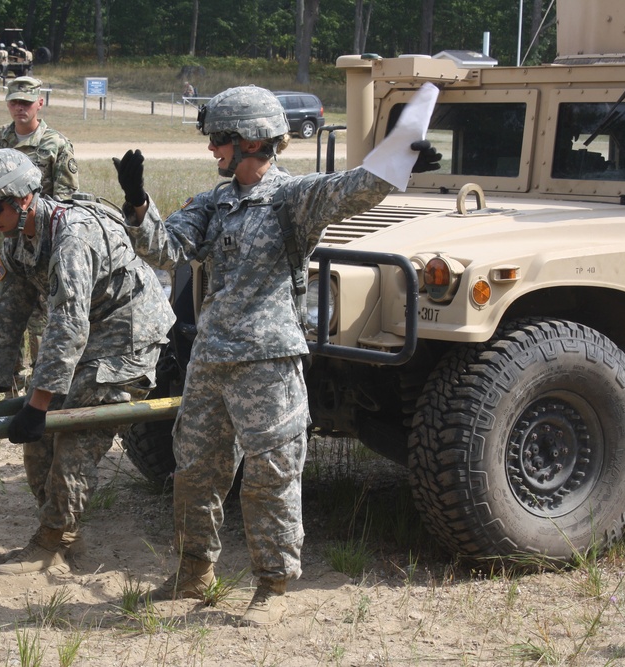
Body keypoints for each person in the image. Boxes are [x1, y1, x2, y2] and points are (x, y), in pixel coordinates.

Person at [112, 85, 440, 626]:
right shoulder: (215, 201)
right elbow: (167, 249)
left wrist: (400, 156)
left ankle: (272, 585)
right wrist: (137, 205)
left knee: (272, 473)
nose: (212, 150)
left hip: (268, 361)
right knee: (194, 470)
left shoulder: (294, 198)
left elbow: (355, 189)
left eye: (220, 139)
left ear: (251, 142)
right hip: (211, 358)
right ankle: (194, 573)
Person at [0, 148, 175, 575]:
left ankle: (52, 544)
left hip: (126, 336)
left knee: (73, 427)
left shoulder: (73, 237)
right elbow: (7, 313)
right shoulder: (16, 238)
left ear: (23, 200)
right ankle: (60, 529)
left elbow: (67, 323)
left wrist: (40, 403)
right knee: (37, 437)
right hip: (87, 332)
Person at [0, 76, 79, 393]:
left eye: (27, 103)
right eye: (15, 102)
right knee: (3, 309)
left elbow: (66, 201)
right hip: (4, 247)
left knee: (42, 315)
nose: (20, 108)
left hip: (41, 247)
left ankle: (40, 383)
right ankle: (6, 380)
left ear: (40, 104)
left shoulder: (56, 145)